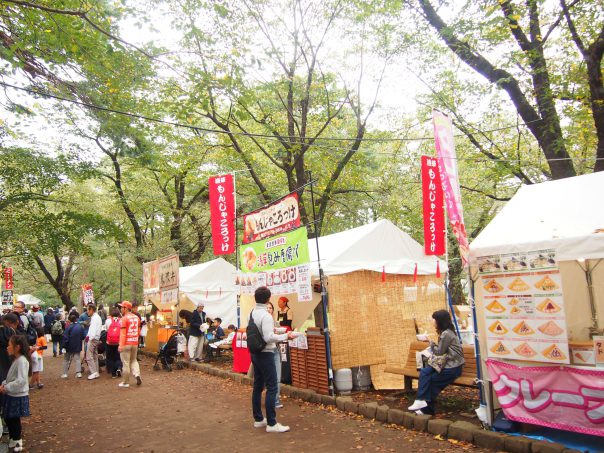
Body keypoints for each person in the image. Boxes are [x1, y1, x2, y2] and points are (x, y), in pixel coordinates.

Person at [250, 286, 295, 433]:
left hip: (255, 353)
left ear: (255, 298)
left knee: (257, 386)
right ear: (268, 299)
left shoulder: (252, 313)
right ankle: (271, 423)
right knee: (272, 387)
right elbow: (269, 337)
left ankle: (258, 419)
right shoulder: (266, 316)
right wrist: (285, 336)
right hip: (267, 352)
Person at [408, 310, 465, 415]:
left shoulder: (446, 334)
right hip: (446, 364)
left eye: (434, 319)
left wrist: (430, 341)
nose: (433, 321)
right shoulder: (447, 332)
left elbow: (439, 352)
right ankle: (421, 402)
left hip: (453, 368)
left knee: (431, 380)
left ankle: (425, 406)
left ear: (440, 321)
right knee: (425, 373)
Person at [0, 335, 31, 452]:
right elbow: (12, 378)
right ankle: (13, 439)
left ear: (17, 347)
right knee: (9, 419)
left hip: (17, 395)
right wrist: (4, 384)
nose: (7, 347)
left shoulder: (22, 361)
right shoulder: (17, 360)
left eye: (9, 345)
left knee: (14, 420)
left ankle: (17, 442)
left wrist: (6, 387)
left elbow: (21, 380)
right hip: (12, 394)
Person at [118, 301, 141, 388]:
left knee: (126, 363)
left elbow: (123, 333)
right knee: (134, 360)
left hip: (126, 343)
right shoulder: (136, 318)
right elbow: (138, 331)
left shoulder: (124, 318)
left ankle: (125, 382)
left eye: (122, 307)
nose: (121, 309)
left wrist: (121, 345)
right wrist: (135, 339)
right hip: (135, 342)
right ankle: (137, 374)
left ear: (126, 308)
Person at [266, 302, 284, 409]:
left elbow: (280, 336)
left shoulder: (276, 323)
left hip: (275, 350)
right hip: (265, 352)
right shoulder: (260, 321)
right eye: (267, 308)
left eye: (270, 308)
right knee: (266, 378)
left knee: (277, 376)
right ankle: (268, 399)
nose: (269, 309)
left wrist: (282, 334)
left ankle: (275, 400)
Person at [61, 313, 85, 379]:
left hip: (69, 346)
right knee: (77, 359)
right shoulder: (80, 326)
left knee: (66, 359)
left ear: (69, 320)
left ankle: (65, 373)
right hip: (77, 345)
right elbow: (83, 336)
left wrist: (63, 346)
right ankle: (78, 373)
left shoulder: (68, 328)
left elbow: (65, 338)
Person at [85, 304, 103, 380]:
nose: (87, 312)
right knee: (95, 356)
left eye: (88, 310)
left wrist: (89, 338)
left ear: (91, 309)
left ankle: (94, 372)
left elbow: (93, 330)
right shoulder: (96, 317)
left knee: (89, 356)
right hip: (96, 338)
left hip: (93, 339)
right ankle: (96, 372)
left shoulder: (95, 318)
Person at [104, 307, 122, 378]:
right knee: (118, 357)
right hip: (118, 342)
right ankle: (118, 368)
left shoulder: (108, 321)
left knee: (111, 357)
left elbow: (106, 330)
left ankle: (113, 373)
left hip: (109, 342)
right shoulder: (121, 321)